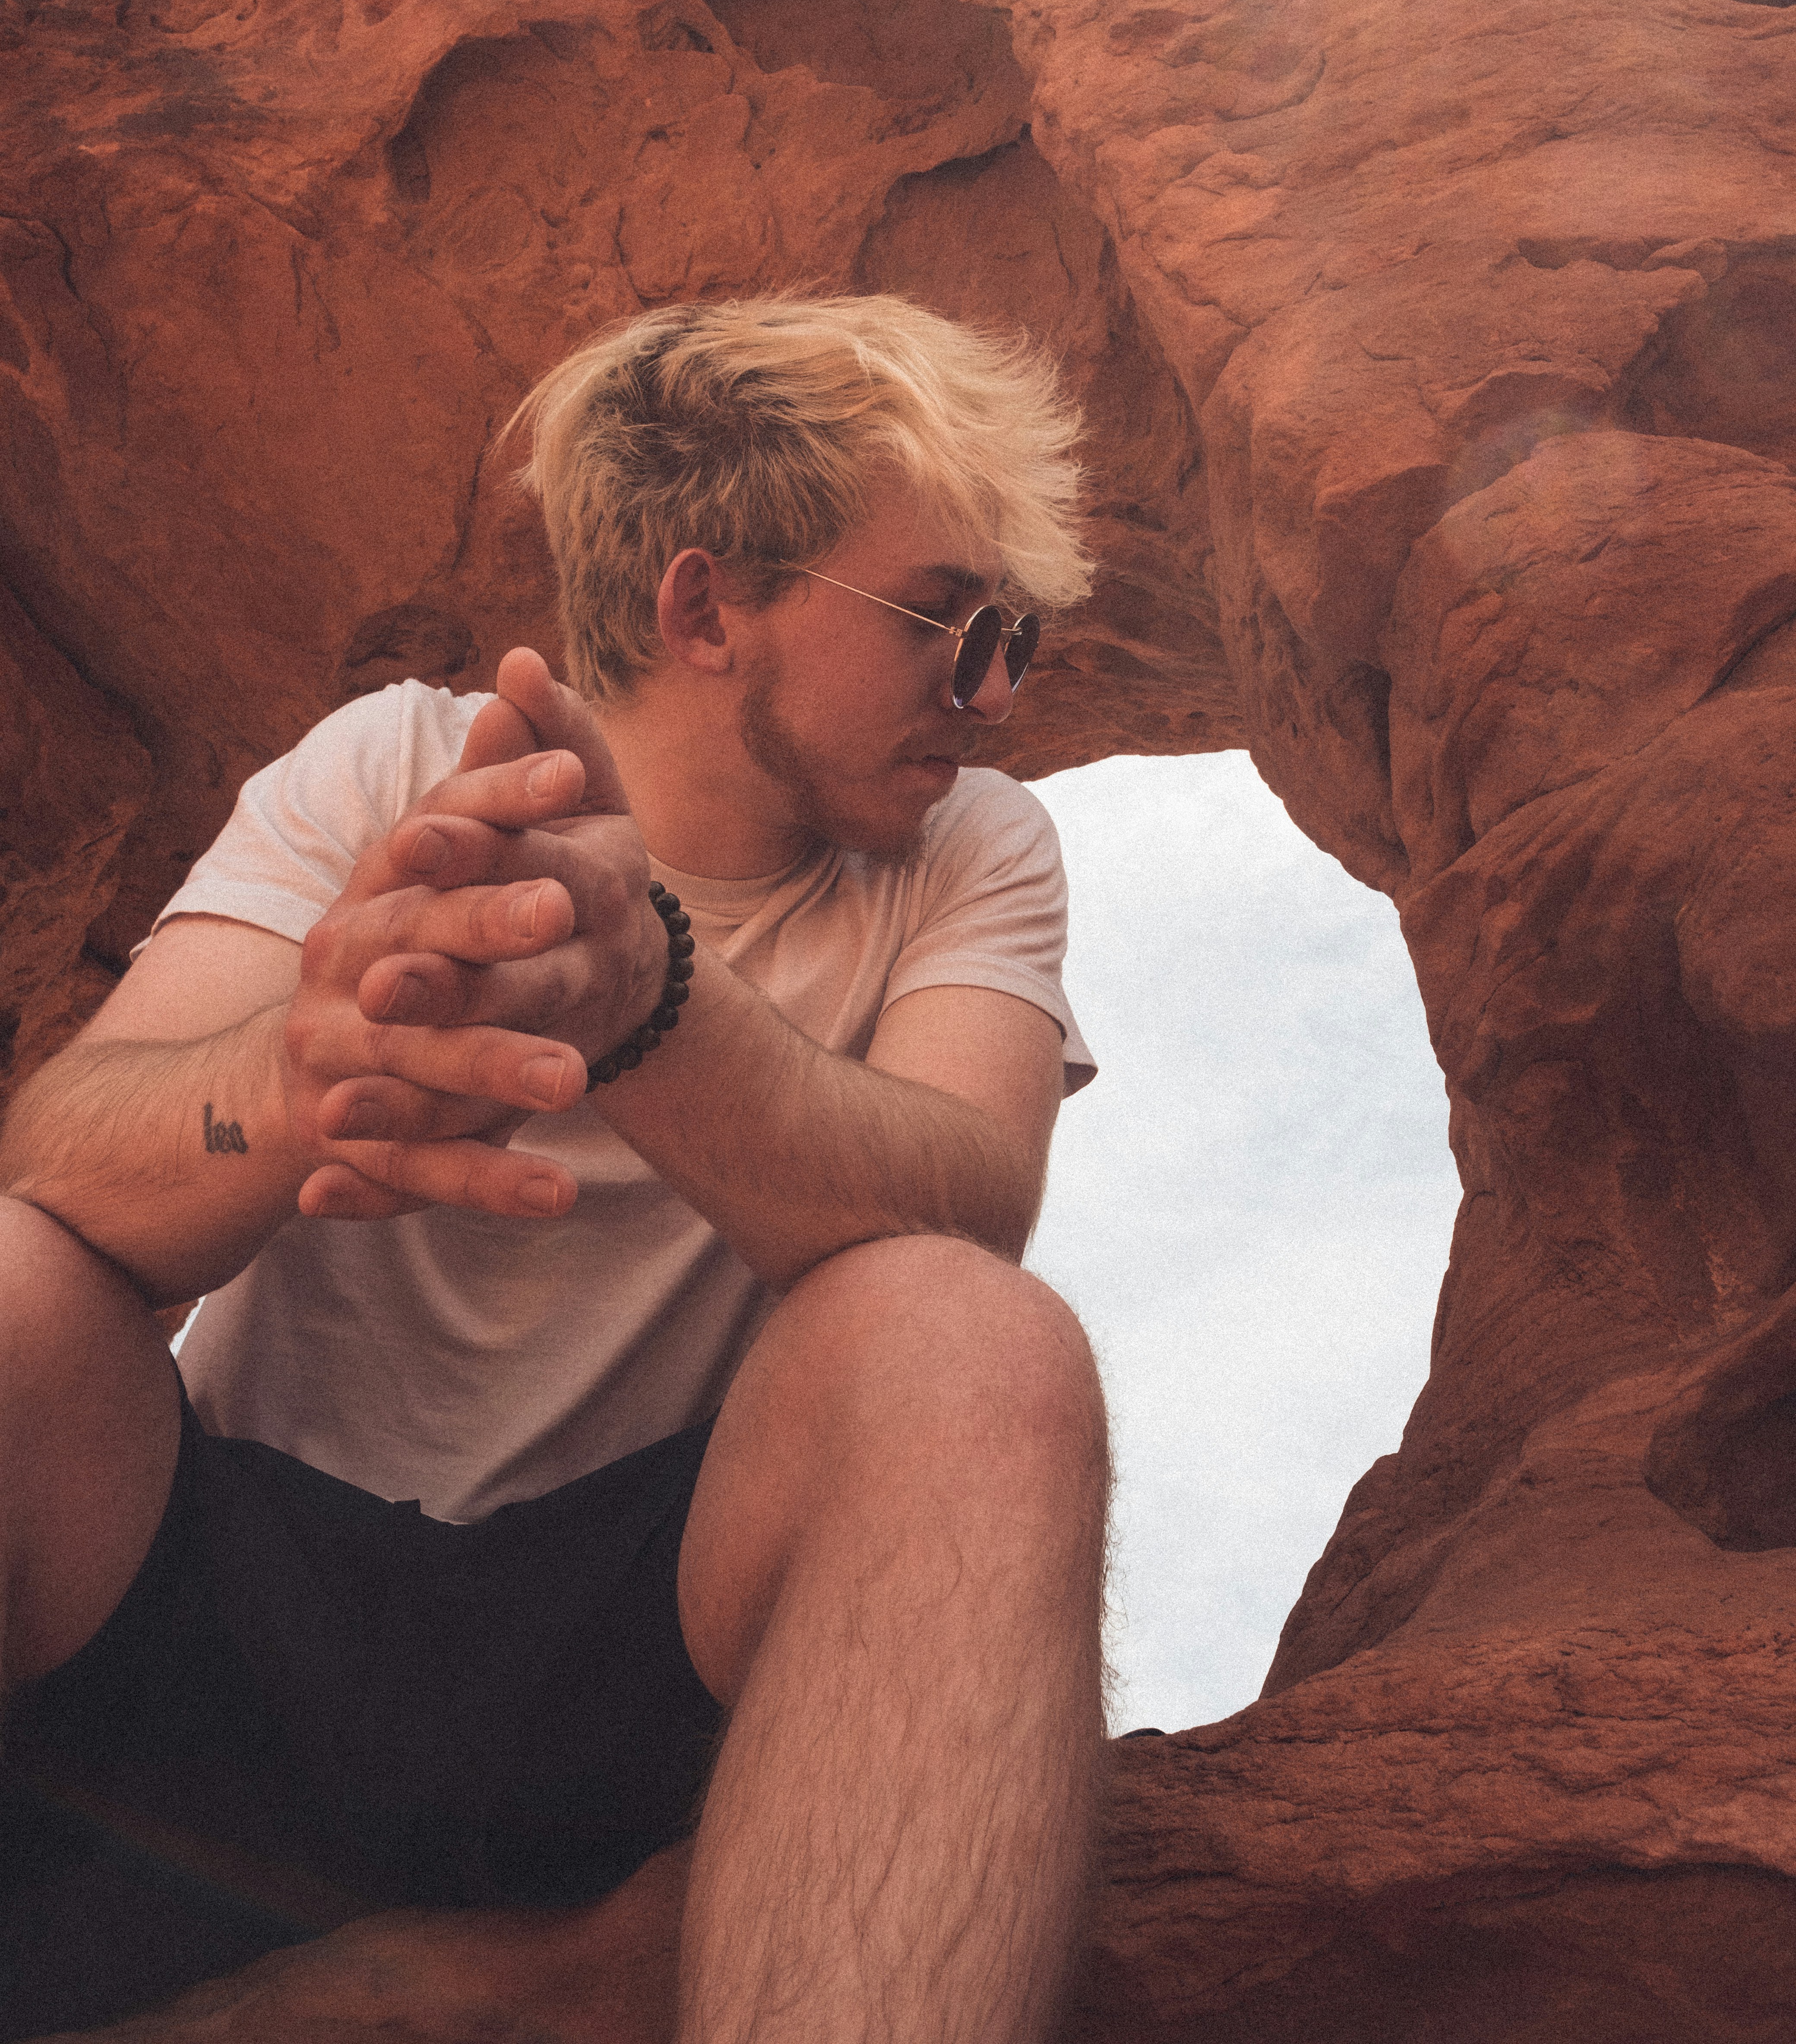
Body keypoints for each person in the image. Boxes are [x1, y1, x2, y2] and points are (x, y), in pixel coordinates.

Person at [0, 293, 1110, 2044]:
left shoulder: (972, 849)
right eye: (952, 624)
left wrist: (646, 1000)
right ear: (706, 607)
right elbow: (62, 1157)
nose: (994, 691)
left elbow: (971, 1203)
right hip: (221, 1615)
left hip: (628, 1662)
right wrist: (306, 1071)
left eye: (1013, 637)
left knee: (971, 1347)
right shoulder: (395, 761)